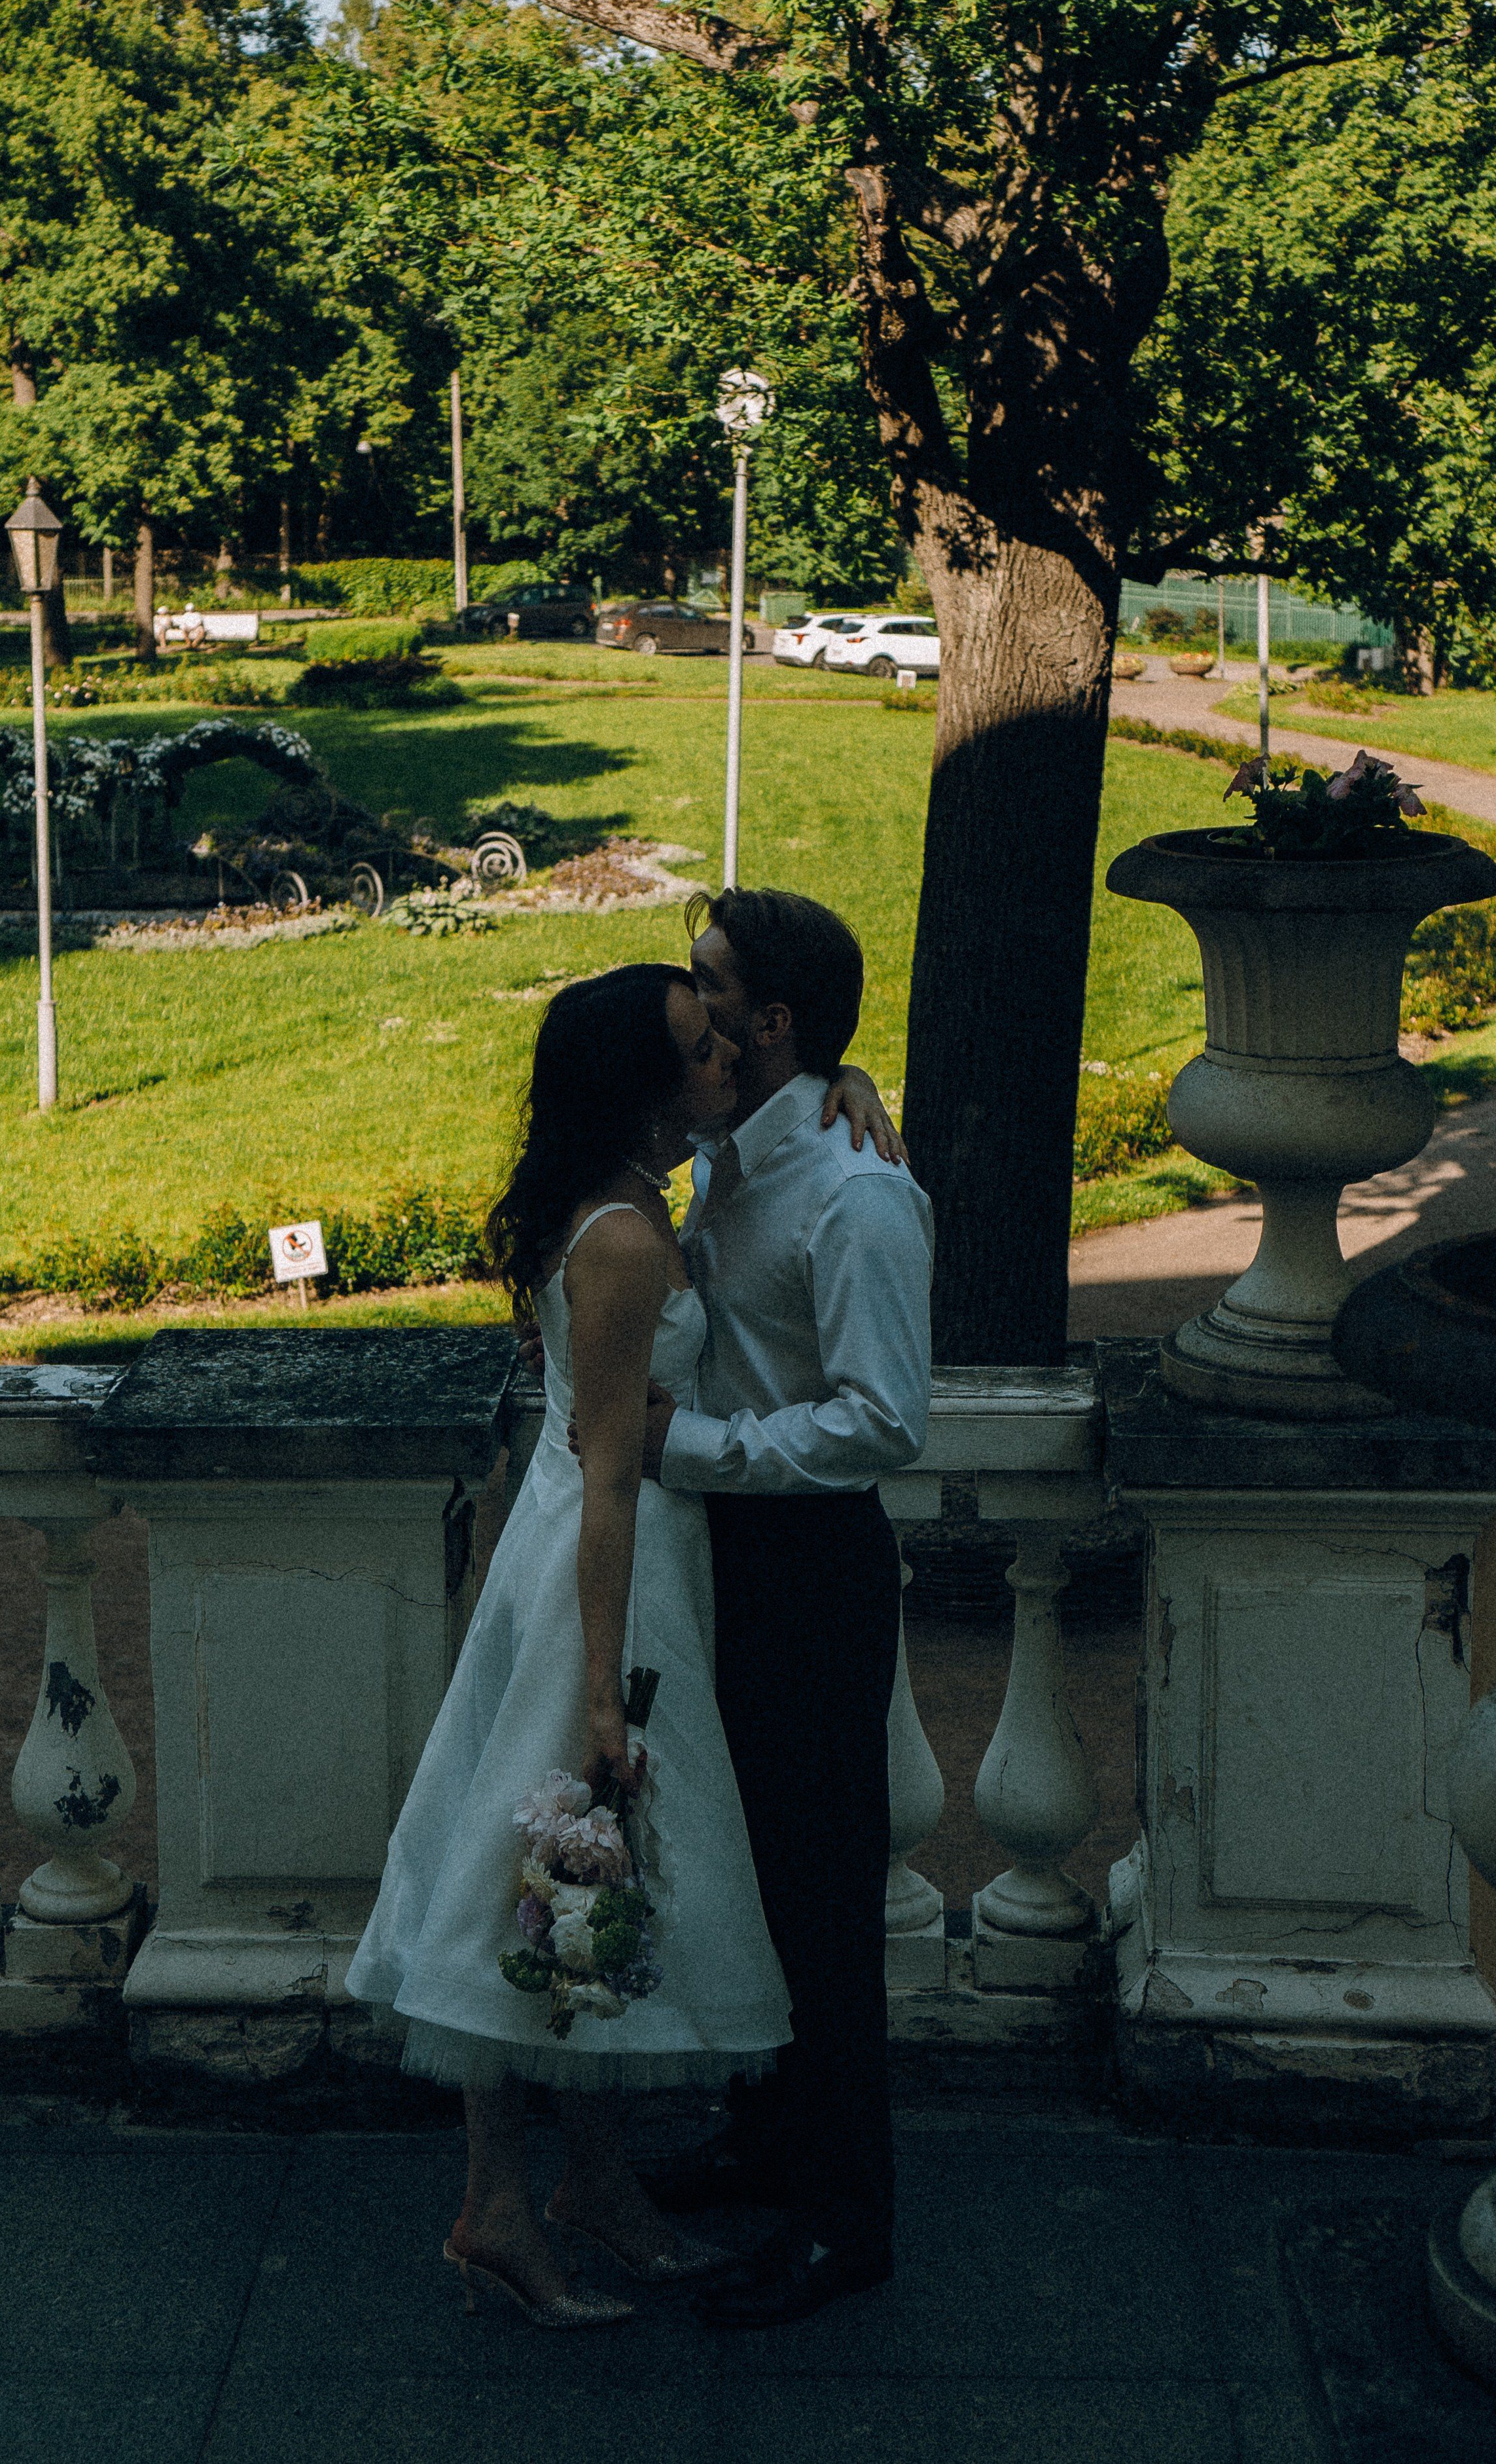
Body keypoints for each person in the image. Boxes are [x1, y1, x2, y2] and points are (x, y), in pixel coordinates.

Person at [346, 962, 793, 2329]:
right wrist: (601, 1687)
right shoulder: (618, 1242)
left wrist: (841, 1083)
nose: (723, 1056)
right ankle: (494, 2206)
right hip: (608, 1577)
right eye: (698, 1047)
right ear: (639, 1089)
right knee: (543, 1872)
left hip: (591, 1560)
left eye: (720, 1036)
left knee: (587, 1889)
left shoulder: (642, 1202)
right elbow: (609, 1474)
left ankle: (592, 2189)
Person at [637, 887, 933, 2330]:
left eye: (709, 982)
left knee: (820, 1901)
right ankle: (765, 2141)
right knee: (738, 1871)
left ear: (773, 1022)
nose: (685, 1000)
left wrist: (683, 1453)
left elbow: (883, 1422)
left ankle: (844, 2219)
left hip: (807, 1570)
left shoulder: (854, 1192)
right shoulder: (732, 1154)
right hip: (720, 1560)